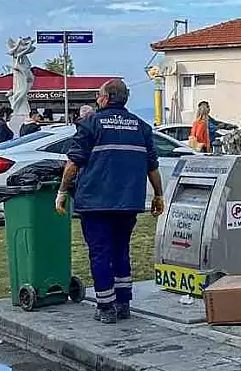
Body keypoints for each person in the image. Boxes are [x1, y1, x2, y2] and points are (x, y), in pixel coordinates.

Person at [57, 79, 164, 324]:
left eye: (99, 95)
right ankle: (123, 303)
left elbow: (74, 163)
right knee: (121, 250)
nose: (97, 98)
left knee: (100, 253)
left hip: (96, 202)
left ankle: (105, 306)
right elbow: (153, 167)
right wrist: (158, 195)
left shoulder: (90, 124)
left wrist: (62, 192)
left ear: (105, 99)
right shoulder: (141, 127)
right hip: (128, 202)